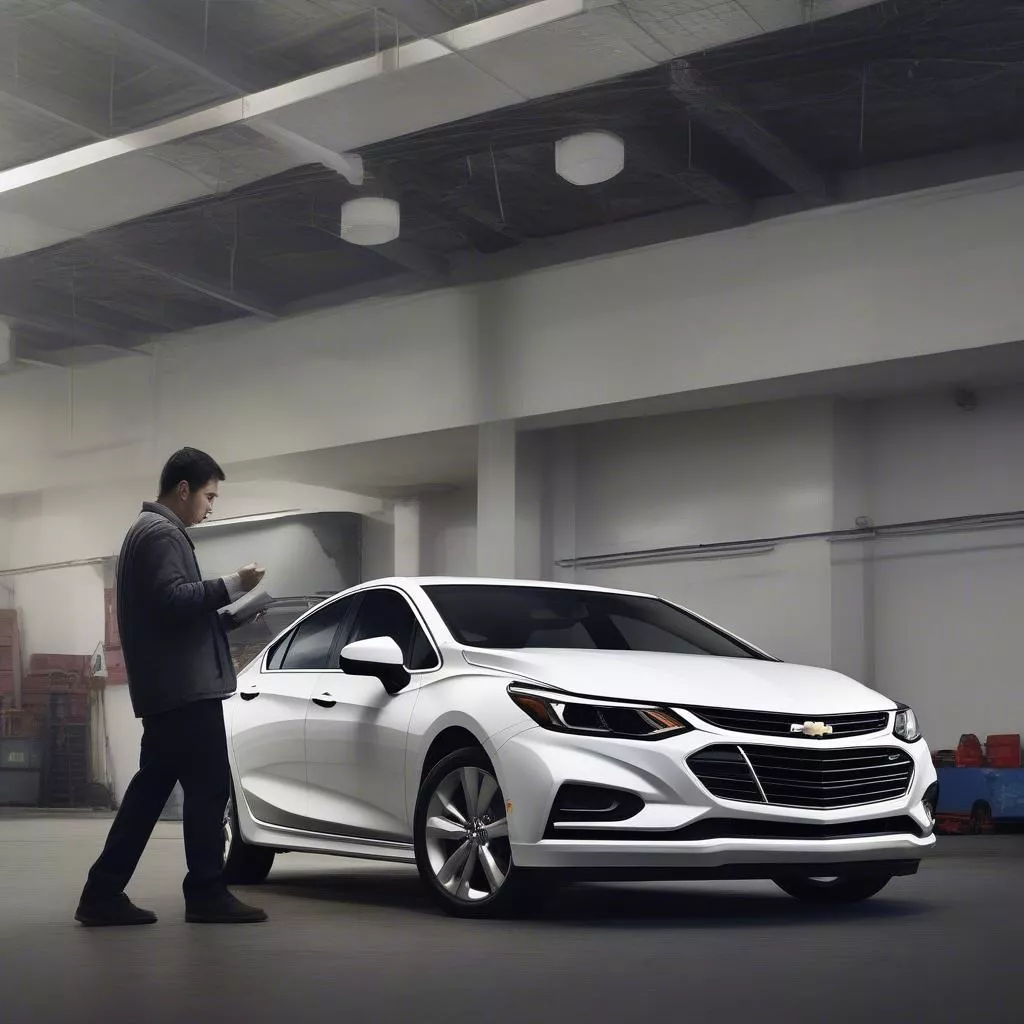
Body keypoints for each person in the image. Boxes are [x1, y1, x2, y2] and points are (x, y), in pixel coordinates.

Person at [75, 448, 269, 926]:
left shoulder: (148, 533)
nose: (210, 506)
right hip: (185, 691)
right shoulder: (162, 534)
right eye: (208, 495)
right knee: (208, 788)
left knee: (149, 791)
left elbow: (171, 616)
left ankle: (101, 892)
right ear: (183, 490)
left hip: (168, 688)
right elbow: (172, 601)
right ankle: (205, 891)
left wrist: (226, 618)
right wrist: (234, 584)